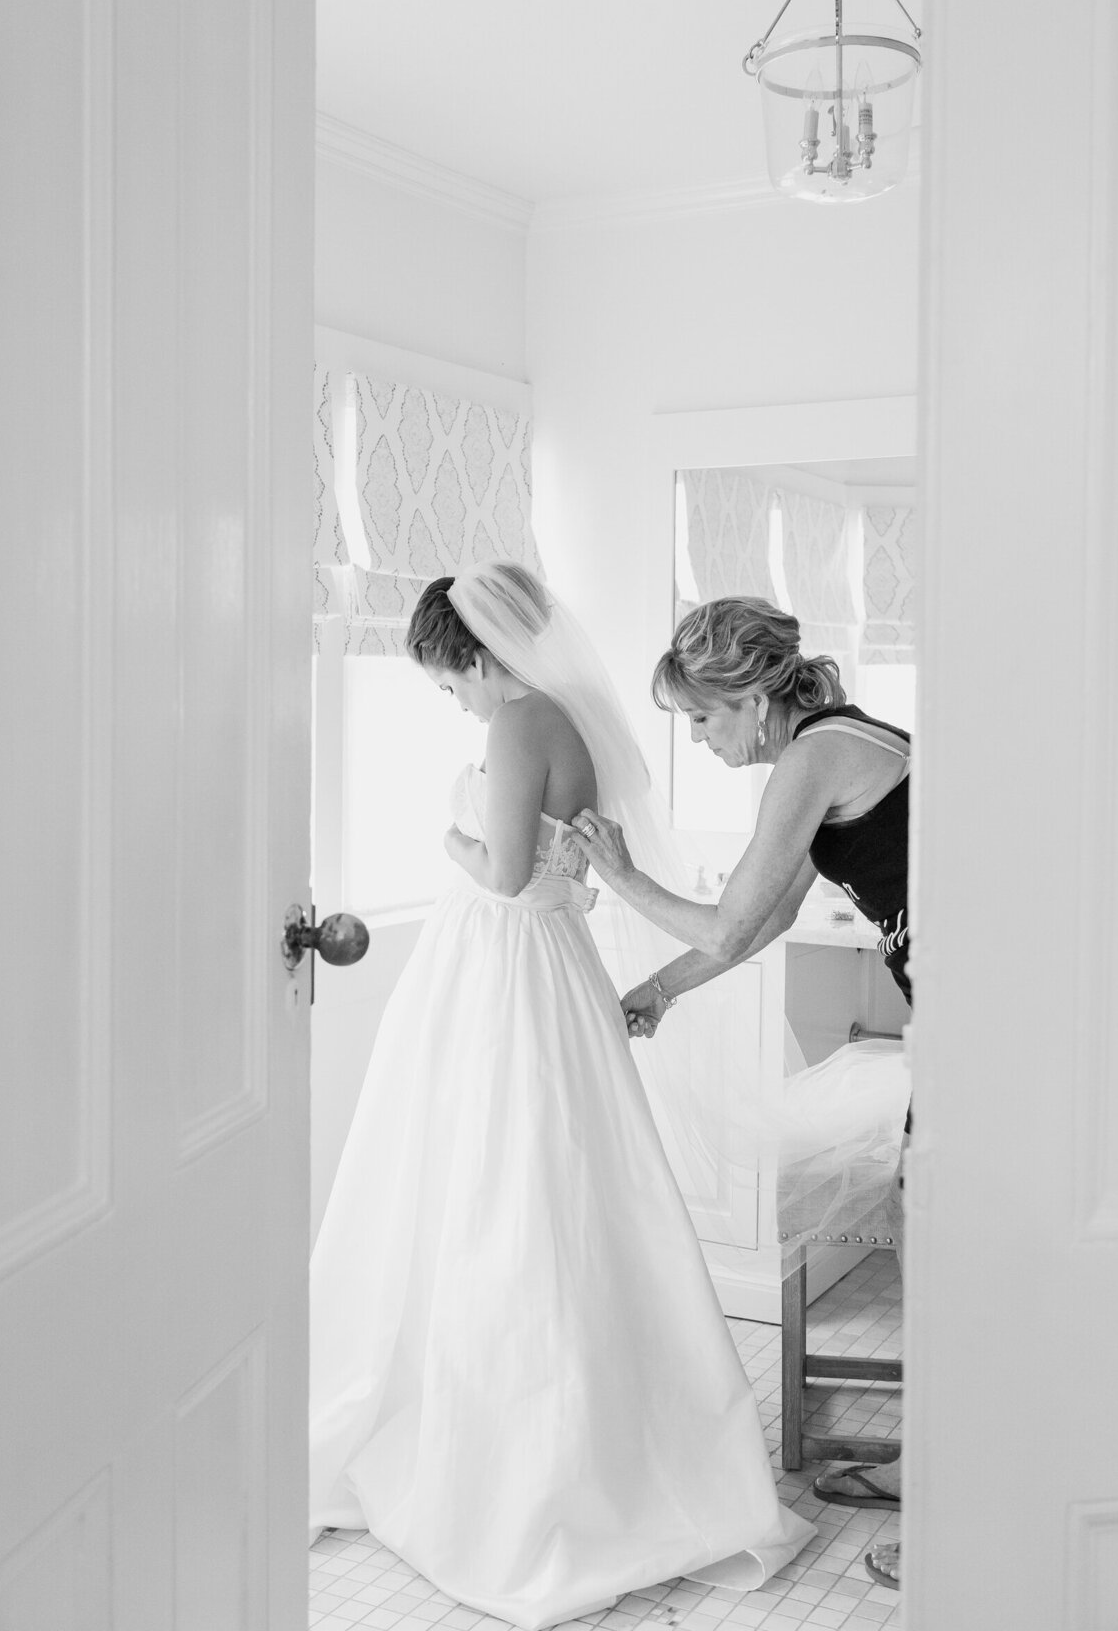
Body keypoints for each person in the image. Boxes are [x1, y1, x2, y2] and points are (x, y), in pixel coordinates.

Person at [308, 563, 815, 1631]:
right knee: (568, 1193)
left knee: (495, 1192)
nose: (456, 701)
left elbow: (499, 872)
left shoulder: (518, 720)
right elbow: (567, 866)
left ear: (476, 656)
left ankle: (510, 1471)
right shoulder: (573, 719)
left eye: (451, 682)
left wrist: (443, 842)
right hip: (555, 964)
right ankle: (615, 1446)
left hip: (503, 965)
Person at [572, 595, 913, 1592]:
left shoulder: (813, 758)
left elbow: (727, 924)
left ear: (756, 698)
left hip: (980, 1018)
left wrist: (620, 874)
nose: (703, 741)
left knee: (953, 1267)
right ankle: (920, 1467)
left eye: (705, 720)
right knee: (928, 1242)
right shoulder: (839, 744)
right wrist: (656, 994)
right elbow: (763, 927)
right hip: (964, 1005)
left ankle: (956, 1512)